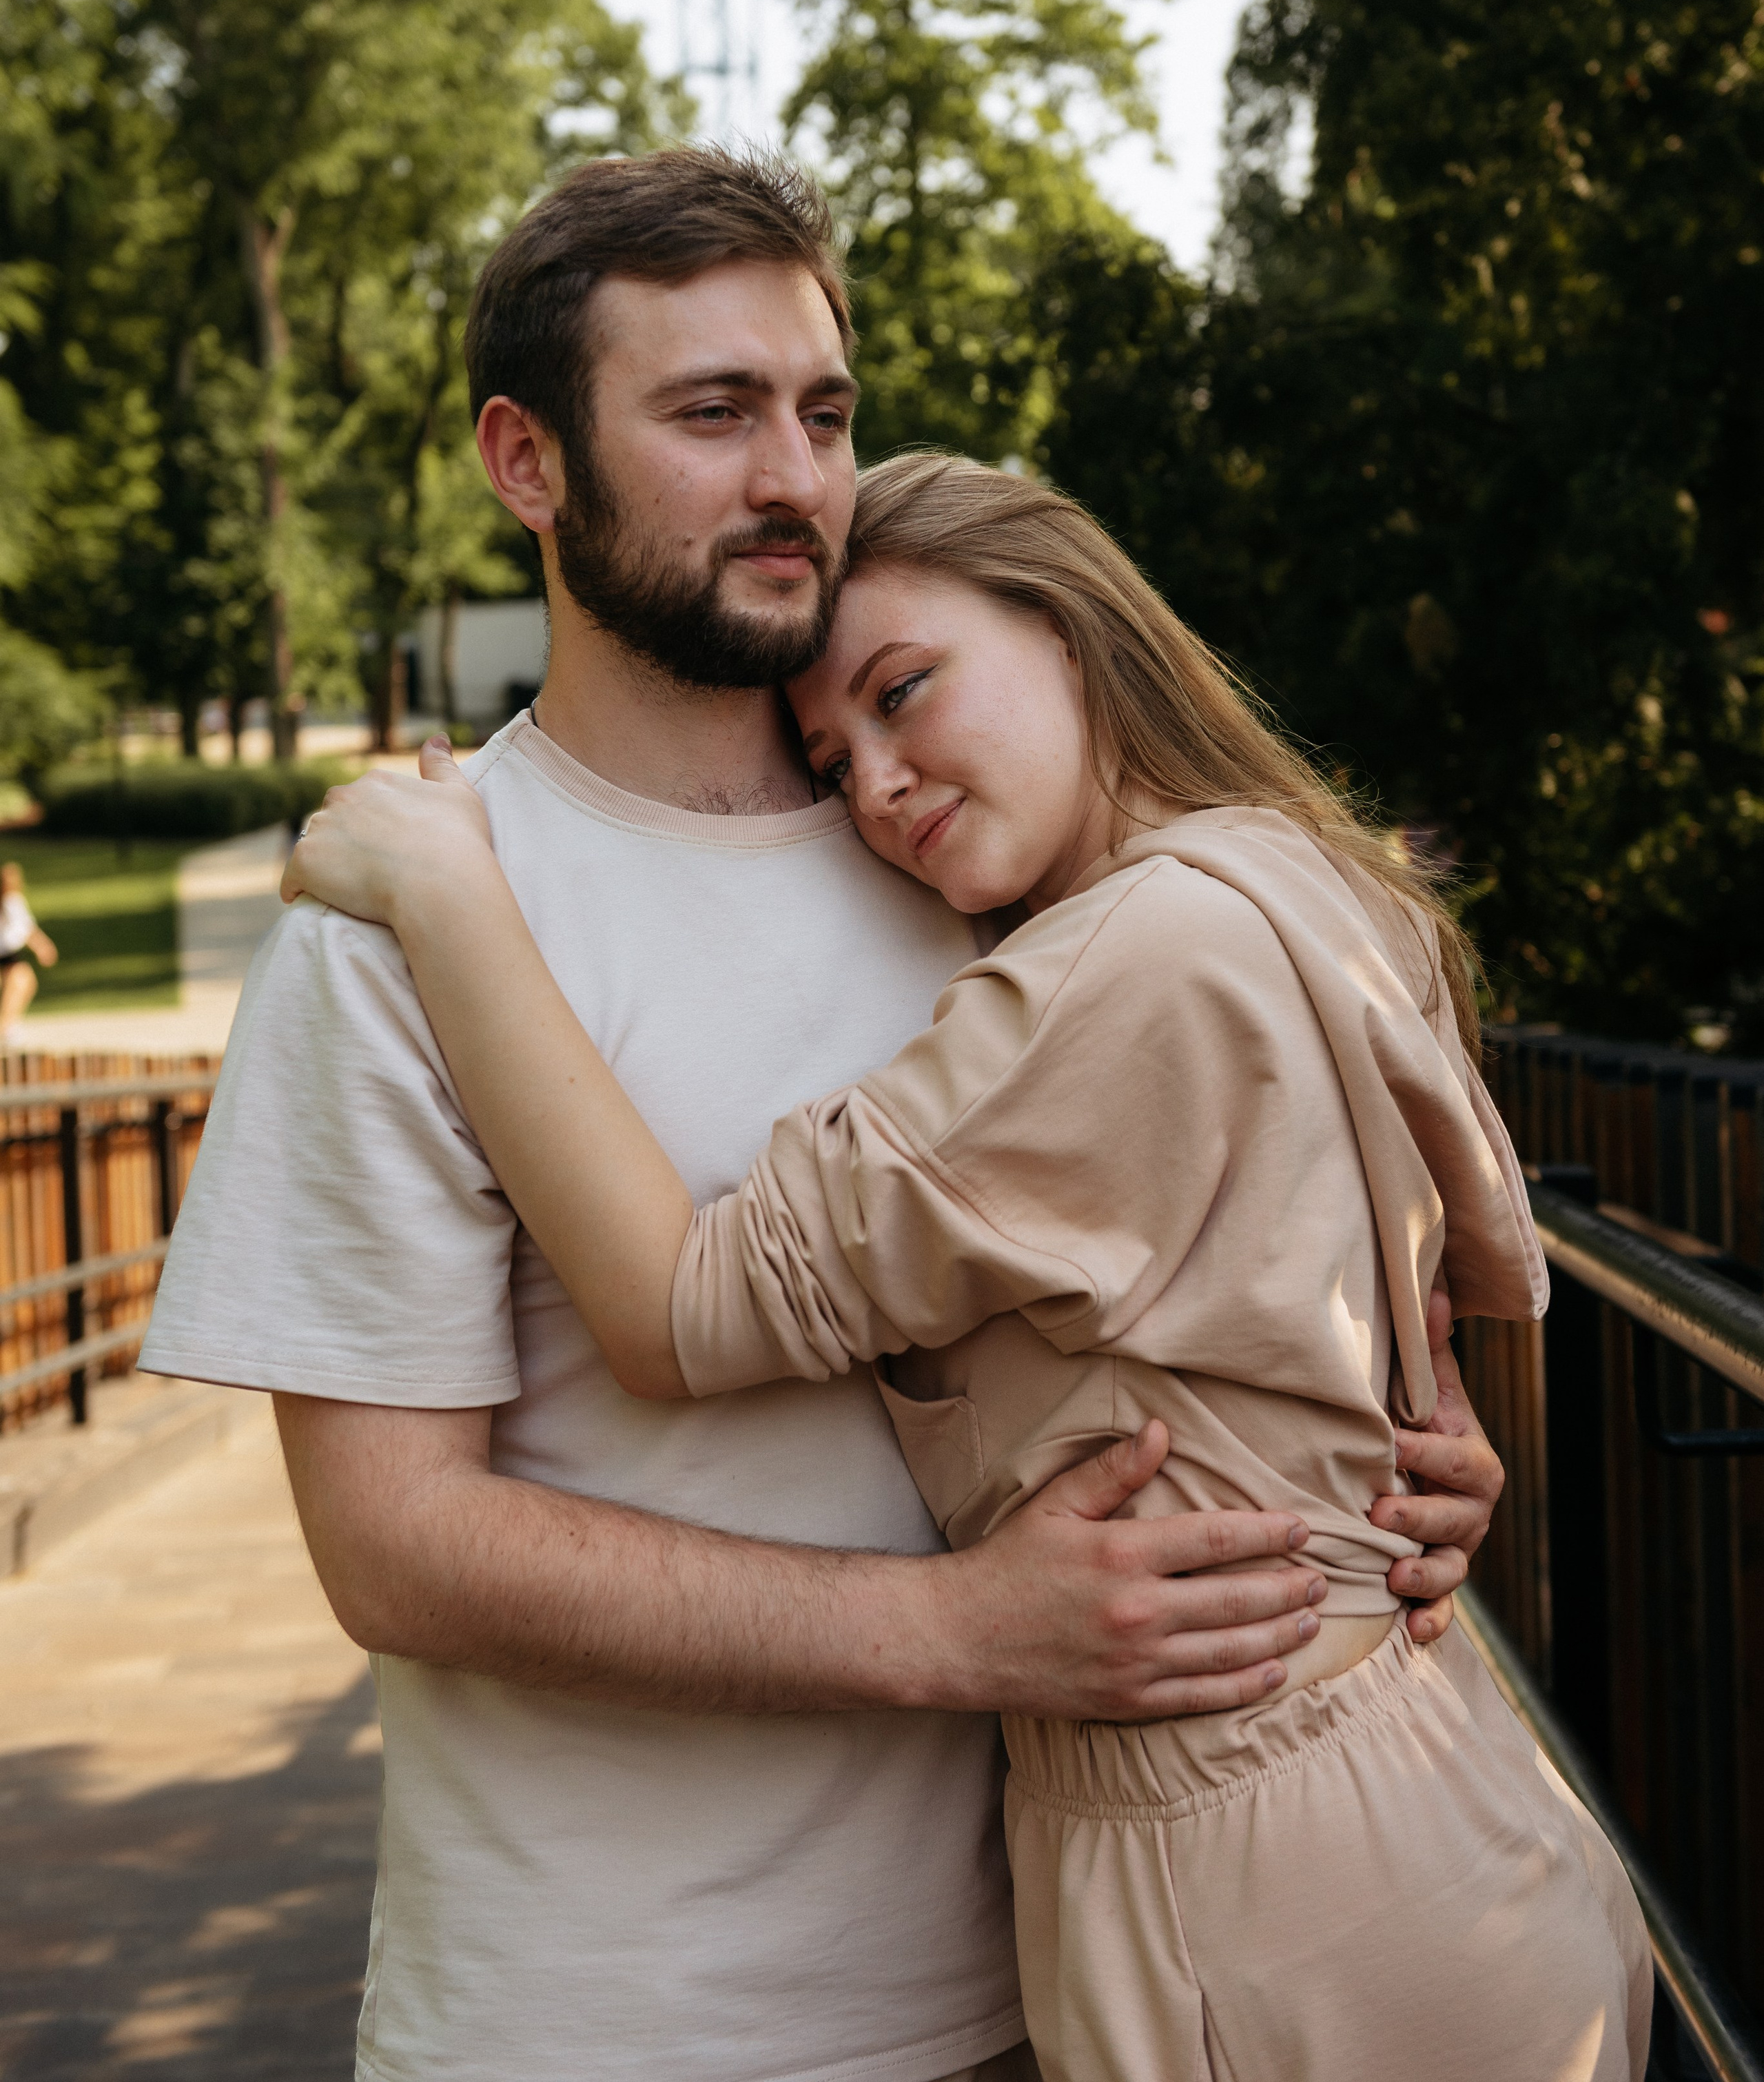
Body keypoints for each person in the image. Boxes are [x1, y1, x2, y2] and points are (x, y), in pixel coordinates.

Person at [143, 150, 1505, 2082]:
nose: (795, 473)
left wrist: (1395, 1471)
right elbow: (398, 1548)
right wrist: (962, 1631)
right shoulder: (406, 909)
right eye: (711, 411)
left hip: (1072, 1979)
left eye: (825, 410)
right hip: (612, 2025)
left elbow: (1218, 1271)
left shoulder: (977, 856)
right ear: (527, 462)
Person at [284, 447, 1652, 2082]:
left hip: (1257, 1888)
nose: (872, 780)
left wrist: (449, 891)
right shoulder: (1295, 879)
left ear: (1067, 626)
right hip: (1428, 1801)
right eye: (830, 750)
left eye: (904, 689)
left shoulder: (1109, 968)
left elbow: (678, 1304)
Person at [0, 859, 58, 1044]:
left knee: (23, 983)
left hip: (9, 955)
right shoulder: (10, 902)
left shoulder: (12, 902)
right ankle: (5, 1026)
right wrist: (43, 947)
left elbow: (26, 928)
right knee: (19, 983)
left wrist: (43, 946)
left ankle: (9, 1025)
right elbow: (26, 929)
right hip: (6, 955)